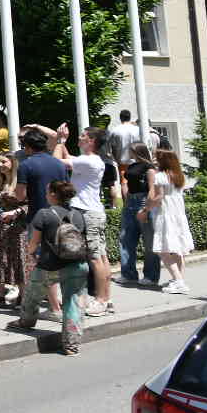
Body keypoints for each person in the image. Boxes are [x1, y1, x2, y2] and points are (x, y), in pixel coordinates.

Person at [9, 179, 91, 355]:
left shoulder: (44, 214)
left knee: (32, 294)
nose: (45, 194)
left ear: (54, 194)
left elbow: (33, 243)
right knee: (73, 302)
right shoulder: (78, 214)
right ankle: (71, 344)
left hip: (50, 265)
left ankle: (26, 322)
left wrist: (30, 254)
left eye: (47, 191)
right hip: (77, 264)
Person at [62, 127, 118, 316]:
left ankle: (101, 300)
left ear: (92, 141)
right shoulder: (91, 160)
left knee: (95, 258)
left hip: (88, 213)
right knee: (101, 256)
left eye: (83, 136)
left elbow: (57, 161)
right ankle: (106, 298)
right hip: (94, 212)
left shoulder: (88, 160)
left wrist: (60, 141)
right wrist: (62, 141)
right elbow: (69, 157)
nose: (80, 137)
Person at [145, 149, 194, 294]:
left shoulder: (160, 176)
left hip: (165, 213)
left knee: (163, 249)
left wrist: (146, 209)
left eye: (156, 157)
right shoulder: (178, 175)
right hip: (178, 213)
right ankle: (178, 278)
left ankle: (178, 281)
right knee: (177, 248)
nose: (154, 159)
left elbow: (159, 197)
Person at [0, 152, 29, 306]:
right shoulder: (0, 181)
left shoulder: (21, 182)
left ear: (13, 163)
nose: (0, 165)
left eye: (4, 162)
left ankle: (23, 296)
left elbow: (29, 204)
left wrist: (15, 212)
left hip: (18, 226)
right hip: (1, 225)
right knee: (0, 257)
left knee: (19, 259)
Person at [118, 143, 162, 287]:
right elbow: (127, 184)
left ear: (137, 151)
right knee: (126, 239)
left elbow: (152, 189)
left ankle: (151, 276)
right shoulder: (131, 166)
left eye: (131, 150)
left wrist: (146, 209)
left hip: (143, 201)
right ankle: (128, 274)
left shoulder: (149, 168)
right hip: (130, 202)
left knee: (149, 241)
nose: (129, 153)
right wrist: (126, 201)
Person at [15, 125, 70, 219]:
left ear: (27, 146)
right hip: (61, 215)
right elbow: (67, 190)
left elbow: (20, 196)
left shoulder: (25, 165)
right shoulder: (60, 164)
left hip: (38, 216)